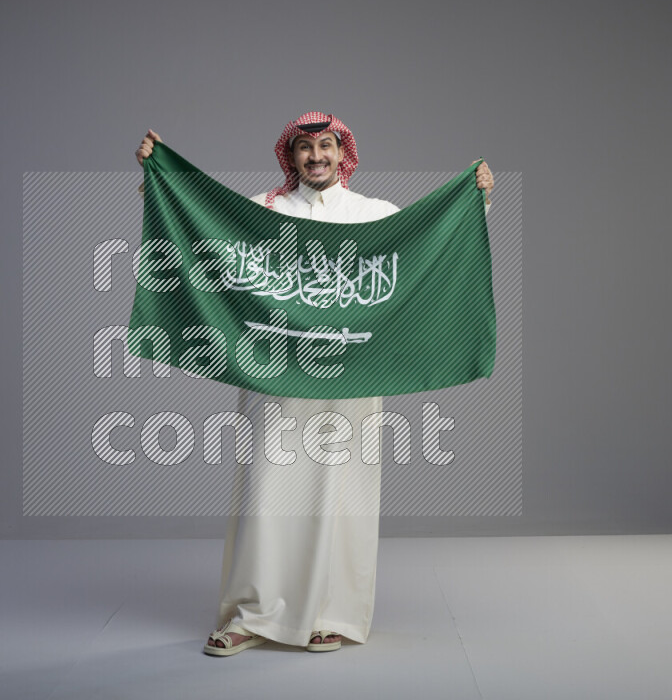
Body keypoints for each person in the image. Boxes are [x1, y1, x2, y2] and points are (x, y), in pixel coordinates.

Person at [135, 113, 494, 656]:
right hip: (274, 377)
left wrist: (475, 199)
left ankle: (335, 615)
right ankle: (250, 616)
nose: (316, 157)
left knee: (342, 496)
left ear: (341, 152)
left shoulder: (372, 216)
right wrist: (157, 177)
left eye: (326, 145)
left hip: (350, 381)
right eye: (305, 148)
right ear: (291, 156)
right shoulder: (262, 212)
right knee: (266, 496)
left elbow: (429, 246)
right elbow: (197, 227)